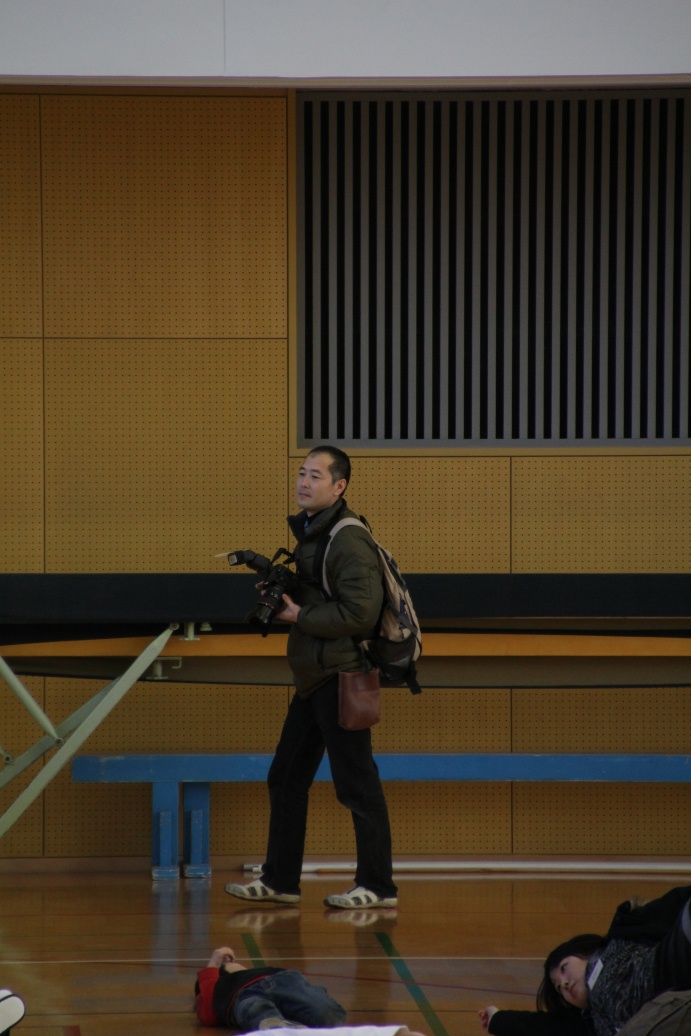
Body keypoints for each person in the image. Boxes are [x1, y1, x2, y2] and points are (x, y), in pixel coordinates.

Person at [225, 446, 397, 911]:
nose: (304, 482)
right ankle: (280, 881)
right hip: (315, 677)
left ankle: (378, 887)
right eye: (302, 473)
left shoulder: (348, 539)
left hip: (342, 677)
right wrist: (286, 590)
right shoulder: (313, 534)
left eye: (315, 476)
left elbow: (360, 613)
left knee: (357, 784)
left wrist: (297, 614)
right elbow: (327, 596)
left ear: (339, 486)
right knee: (285, 778)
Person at [478, 884, 691, 1036]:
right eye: (558, 988)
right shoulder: (593, 1022)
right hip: (669, 1014)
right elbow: (545, 1026)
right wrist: (497, 1019)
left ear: (584, 953)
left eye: (564, 968)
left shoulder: (619, 941)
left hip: (669, 966)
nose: (564, 984)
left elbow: (673, 901)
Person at [195, 946, 346, 1031]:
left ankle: (286, 1027)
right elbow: (208, 1012)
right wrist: (213, 963)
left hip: (283, 982)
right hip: (246, 995)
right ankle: (280, 1028)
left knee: (330, 1016)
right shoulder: (222, 986)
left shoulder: (269, 972)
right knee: (260, 1014)